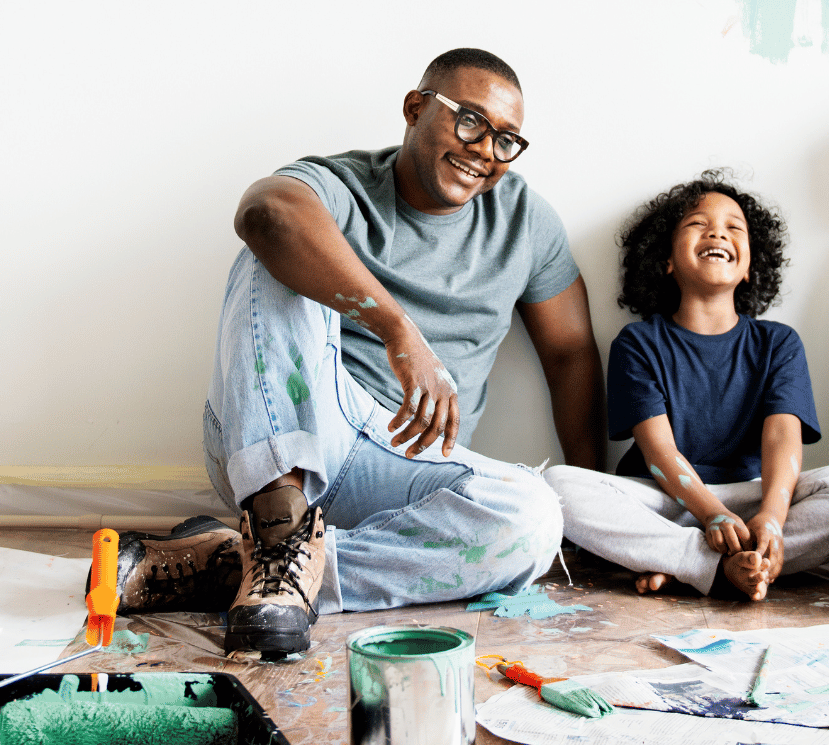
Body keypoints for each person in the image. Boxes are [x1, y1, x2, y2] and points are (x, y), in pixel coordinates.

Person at [106, 48, 605, 658]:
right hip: (292, 428)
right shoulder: (346, 183)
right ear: (415, 109)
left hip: (409, 467)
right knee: (270, 257)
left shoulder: (526, 221)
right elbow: (265, 211)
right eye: (470, 122)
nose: (484, 150)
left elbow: (571, 353)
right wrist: (400, 332)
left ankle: (254, 566)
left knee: (534, 521)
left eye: (506, 140)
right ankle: (276, 518)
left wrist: (594, 494)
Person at [545, 171, 829, 601]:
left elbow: (783, 438)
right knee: (558, 487)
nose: (717, 232)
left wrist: (772, 517)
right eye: (697, 223)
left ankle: (706, 564)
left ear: (750, 267)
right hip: (665, 501)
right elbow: (658, 452)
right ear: (666, 260)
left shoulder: (778, 343)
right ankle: (711, 562)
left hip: (750, 500)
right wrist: (711, 515)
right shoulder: (638, 343)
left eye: (734, 227)